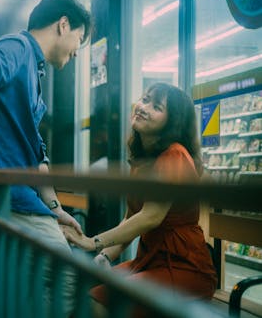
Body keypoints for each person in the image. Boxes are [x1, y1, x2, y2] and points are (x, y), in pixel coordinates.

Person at [0, 0, 92, 314]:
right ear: (63, 24)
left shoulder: (33, 69)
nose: (76, 52)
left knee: (25, 292)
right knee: (69, 282)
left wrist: (55, 208)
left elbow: (35, 154)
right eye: (79, 39)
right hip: (11, 201)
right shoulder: (19, 48)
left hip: (18, 201)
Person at [63, 83, 218, 311]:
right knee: (82, 284)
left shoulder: (174, 155)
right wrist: (105, 256)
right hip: (149, 261)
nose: (143, 107)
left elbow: (150, 217)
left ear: (172, 121)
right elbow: (131, 218)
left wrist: (92, 242)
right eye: (144, 100)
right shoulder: (144, 159)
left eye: (156, 106)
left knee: (98, 302)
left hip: (184, 267)